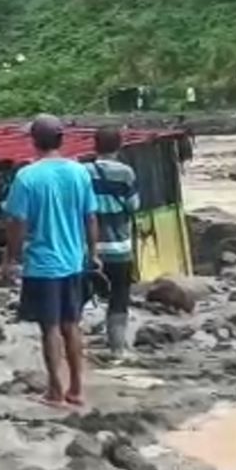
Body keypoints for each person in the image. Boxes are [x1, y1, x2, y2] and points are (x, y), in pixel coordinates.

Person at [0, 114, 99, 408]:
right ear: (61, 139)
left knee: (50, 327)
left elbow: (16, 222)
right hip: (73, 262)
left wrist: (11, 259)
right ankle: (77, 388)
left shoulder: (27, 177)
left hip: (43, 264)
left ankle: (56, 389)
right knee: (72, 325)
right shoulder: (79, 172)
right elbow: (90, 217)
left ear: (34, 141)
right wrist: (92, 253)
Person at [86, 126, 141, 360]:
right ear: (119, 146)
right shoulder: (126, 173)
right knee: (119, 298)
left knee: (79, 298)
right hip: (119, 248)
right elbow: (134, 206)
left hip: (88, 249)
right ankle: (117, 349)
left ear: (94, 145)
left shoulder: (83, 171)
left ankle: (73, 348)